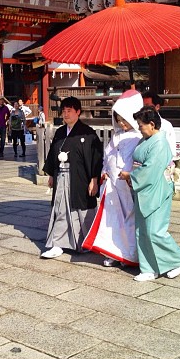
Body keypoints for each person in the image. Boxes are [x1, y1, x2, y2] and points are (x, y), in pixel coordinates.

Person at [119, 105, 180, 282]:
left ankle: (179, 260)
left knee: (155, 231)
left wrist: (130, 175)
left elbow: (149, 170)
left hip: (156, 189)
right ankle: (148, 268)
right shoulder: (146, 139)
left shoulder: (159, 142)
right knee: (142, 231)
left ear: (152, 124)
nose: (139, 128)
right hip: (145, 189)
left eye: (141, 125)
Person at [82, 89, 143, 268]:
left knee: (129, 220)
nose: (122, 123)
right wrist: (104, 171)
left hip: (128, 185)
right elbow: (106, 158)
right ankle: (114, 252)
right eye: (119, 120)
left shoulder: (139, 137)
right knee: (112, 220)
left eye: (125, 119)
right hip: (112, 185)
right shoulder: (115, 136)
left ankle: (130, 254)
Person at [41, 96, 103, 259]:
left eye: (69, 110)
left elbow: (95, 157)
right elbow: (53, 153)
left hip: (81, 178)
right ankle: (58, 244)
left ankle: (86, 242)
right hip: (62, 176)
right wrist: (52, 175)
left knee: (81, 211)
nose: (66, 114)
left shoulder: (88, 133)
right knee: (60, 209)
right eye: (64, 111)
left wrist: (94, 179)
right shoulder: (61, 132)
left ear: (78, 112)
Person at [142, 91, 180, 183]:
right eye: (143, 106)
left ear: (157, 107)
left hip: (161, 170)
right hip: (143, 170)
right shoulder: (139, 125)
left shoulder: (166, 126)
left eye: (148, 106)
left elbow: (171, 151)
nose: (145, 109)